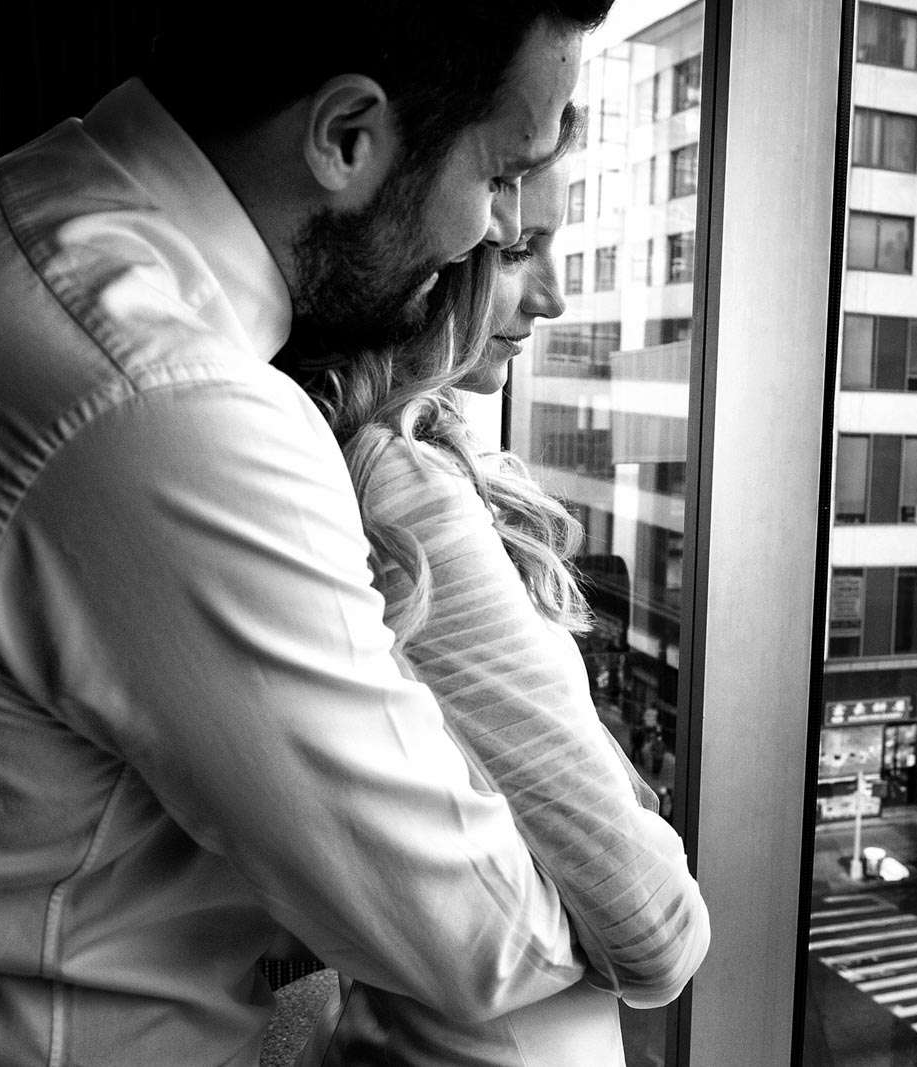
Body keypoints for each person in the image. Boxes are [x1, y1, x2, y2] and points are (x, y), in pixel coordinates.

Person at [0, 2, 621, 1063]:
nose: (490, 233)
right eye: (500, 176)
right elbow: (478, 937)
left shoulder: (26, 214)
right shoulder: (169, 407)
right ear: (345, 138)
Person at [283, 105, 709, 1064]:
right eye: (519, 250)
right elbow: (658, 933)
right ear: (435, 257)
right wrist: (621, 848)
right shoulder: (404, 490)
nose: (553, 299)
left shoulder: (404, 461)